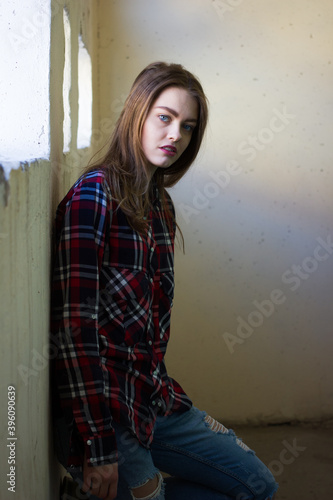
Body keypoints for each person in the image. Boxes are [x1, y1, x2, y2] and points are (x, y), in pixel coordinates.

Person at [51, 61, 278, 500]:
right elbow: (73, 334)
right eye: (165, 118)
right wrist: (99, 447)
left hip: (152, 398)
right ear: (138, 113)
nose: (176, 134)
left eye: (187, 127)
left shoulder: (160, 205)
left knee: (258, 486)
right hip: (102, 415)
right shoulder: (93, 199)